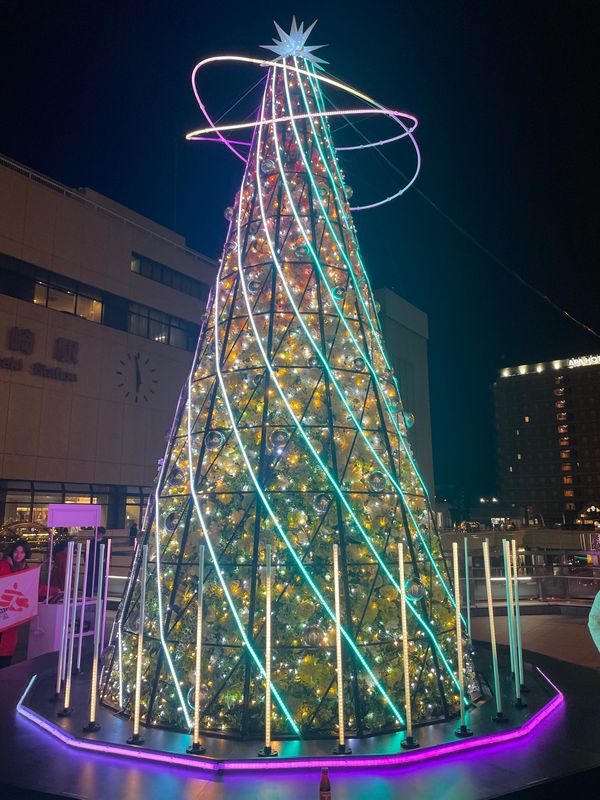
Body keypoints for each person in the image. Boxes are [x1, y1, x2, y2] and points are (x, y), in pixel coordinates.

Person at [0, 539, 32, 668]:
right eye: (16, 552)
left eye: (22, 552)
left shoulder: (26, 570)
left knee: (7, 647)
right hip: (2, 608)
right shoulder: (3, 565)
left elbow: (33, 586)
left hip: (12, 615)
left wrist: (52, 590)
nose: (18, 555)